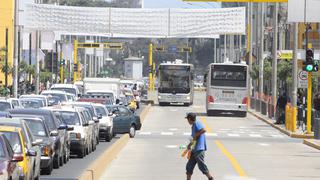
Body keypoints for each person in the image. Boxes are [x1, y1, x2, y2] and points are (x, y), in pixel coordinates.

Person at [185, 113, 214, 180]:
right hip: (194, 149)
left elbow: (203, 130)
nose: (187, 121)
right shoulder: (193, 126)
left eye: (187, 119)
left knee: (201, 165)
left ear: (189, 119)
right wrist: (189, 145)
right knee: (189, 166)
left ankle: (210, 178)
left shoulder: (197, 123)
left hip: (199, 149)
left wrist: (195, 135)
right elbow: (194, 138)